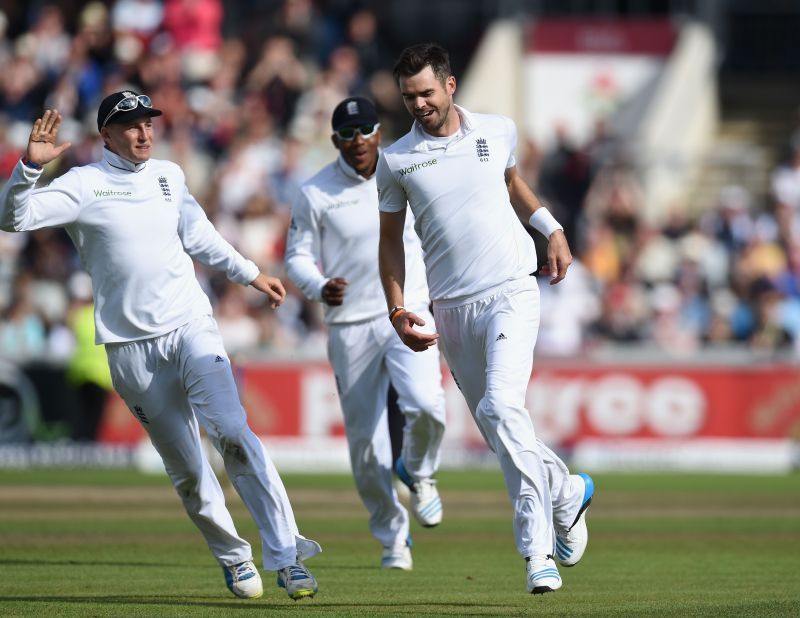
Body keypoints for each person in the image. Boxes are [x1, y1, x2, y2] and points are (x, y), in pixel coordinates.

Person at [0, 92, 320, 601]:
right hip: (130, 348)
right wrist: (27, 169)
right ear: (105, 134)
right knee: (190, 471)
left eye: (148, 123)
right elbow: (12, 219)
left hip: (191, 325)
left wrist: (251, 274)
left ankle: (287, 555)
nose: (144, 133)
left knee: (233, 432)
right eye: (130, 126)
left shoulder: (169, 175)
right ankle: (235, 558)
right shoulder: (84, 183)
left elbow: (201, 237)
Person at [376, 44, 595, 595]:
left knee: (502, 407)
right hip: (450, 308)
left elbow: (512, 184)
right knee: (500, 431)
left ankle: (536, 550)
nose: (418, 104)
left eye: (426, 92)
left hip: (511, 291)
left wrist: (552, 229)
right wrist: (398, 308)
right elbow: (389, 244)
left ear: (450, 86)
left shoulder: (497, 130)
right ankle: (566, 491)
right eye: (409, 97)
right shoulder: (397, 159)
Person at [285, 96, 446, 571]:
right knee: (365, 442)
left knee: (427, 405)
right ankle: (393, 536)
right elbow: (296, 255)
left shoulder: (405, 169)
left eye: (365, 131)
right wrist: (317, 285)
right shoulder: (315, 191)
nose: (357, 142)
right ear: (335, 141)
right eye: (347, 134)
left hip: (406, 309)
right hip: (349, 324)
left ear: (379, 132)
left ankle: (419, 471)